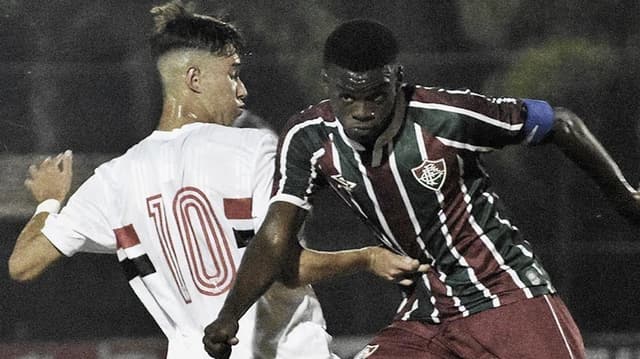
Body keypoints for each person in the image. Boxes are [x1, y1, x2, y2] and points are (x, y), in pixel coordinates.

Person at [203, 19, 640, 359]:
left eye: (375, 96)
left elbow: (560, 122)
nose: (360, 111)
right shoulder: (308, 137)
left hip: (506, 297)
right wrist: (228, 317)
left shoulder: (445, 117)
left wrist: (625, 197)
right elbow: (275, 235)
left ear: (398, 78)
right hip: (425, 312)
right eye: (346, 97)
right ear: (326, 84)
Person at [8, 6, 426, 358]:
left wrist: (48, 202)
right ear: (194, 79)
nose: (242, 90)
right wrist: (367, 257)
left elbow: (22, 265)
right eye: (232, 74)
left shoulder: (113, 180)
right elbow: (284, 267)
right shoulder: (254, 148)